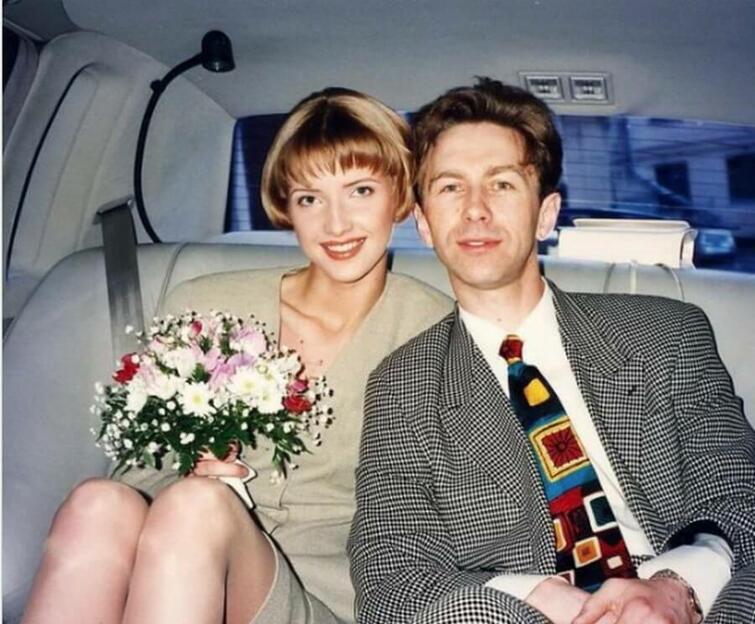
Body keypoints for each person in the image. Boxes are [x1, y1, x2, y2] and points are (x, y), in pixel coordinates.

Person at [22, 87, 453, 624]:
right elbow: (138, 469)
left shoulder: (439, 332)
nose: (336, 224)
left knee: (198, 508)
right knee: (98, 501)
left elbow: (452, 508)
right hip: (172, 572)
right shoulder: (206, 305)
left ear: (401, 197)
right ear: (286, 207)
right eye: (310, 199)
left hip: (329, 599)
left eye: (360, 191)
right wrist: (195, 470)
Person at [348, 78, 755, 624]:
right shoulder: (402, 386)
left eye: (502, 184)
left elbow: (740, 494)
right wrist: (536, 595)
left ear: (545, 213)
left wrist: (676, 587)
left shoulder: (668, 335)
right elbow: (389, 578)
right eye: (450, 188)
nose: (475, 210)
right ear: (423, 223)